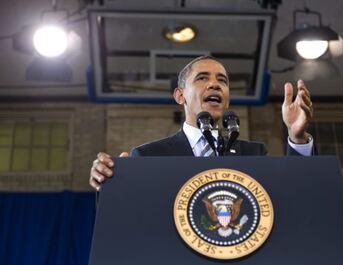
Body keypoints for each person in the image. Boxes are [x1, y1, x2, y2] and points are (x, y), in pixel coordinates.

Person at [89, 56, 314, 191]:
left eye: (222, 81)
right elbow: (129, 217)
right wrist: (110, 183)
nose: (215, 85)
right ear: (180, 96)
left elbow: (295, 195)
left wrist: (297, 139)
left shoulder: (254, 153)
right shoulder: (148, 156)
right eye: (202, 78)